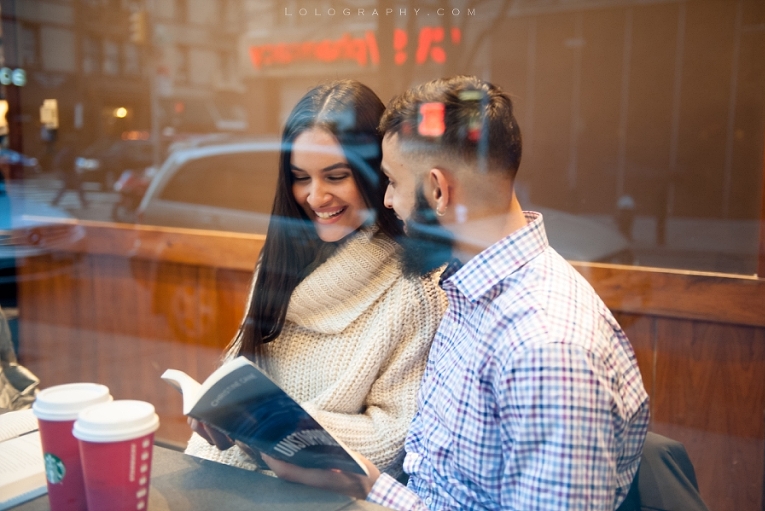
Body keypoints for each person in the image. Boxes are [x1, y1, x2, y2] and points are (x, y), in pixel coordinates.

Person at [258, 75, 650, 510]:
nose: (386, 201)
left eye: (392, 182)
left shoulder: (548, 347)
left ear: (438, 191)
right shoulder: (468, 294)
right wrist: (362, 482)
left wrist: (367, 485)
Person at [186, 80, 447, 477]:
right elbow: (241, 371)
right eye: (301, 177)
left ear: (375, 174)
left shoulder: (416, 286)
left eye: (336, 176)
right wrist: (216, 411)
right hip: (228, 475)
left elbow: (395, 436)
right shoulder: (281, 258)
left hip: (321, 493)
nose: (315, 196)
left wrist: (277, 425)